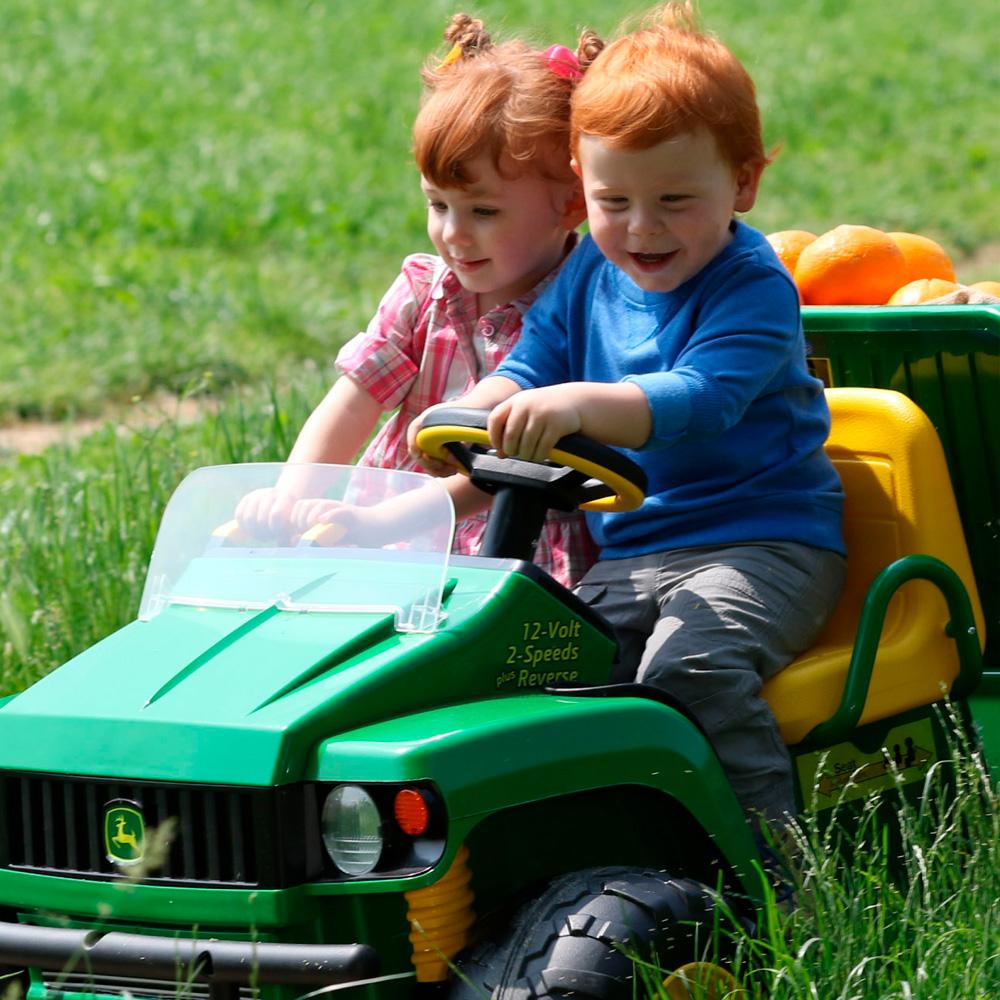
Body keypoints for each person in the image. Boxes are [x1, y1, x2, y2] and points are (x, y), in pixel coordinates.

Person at [410, 2, 847, 827]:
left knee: (694, 669)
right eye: (615, 202)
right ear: (581, 182)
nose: (642, 229)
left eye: (676, 199)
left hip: (764, 544)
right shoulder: (586, 278)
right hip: (634, 554)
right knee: (547, 674)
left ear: (743, 183)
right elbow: (533, 363)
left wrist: (574, 404)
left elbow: (700, 401)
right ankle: (602, 847)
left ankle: (775, 880)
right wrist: (476, 409)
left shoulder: (751, 286)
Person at [237, 14, 596, 587]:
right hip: (380, 542)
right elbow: (352, 402)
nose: (454, 233)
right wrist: (291, 493)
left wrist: (382, 522)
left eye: (483, 211)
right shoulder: (423, 291)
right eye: (438, 205)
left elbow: (511, 468)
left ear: (572, 204)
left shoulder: (586, 312)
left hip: (509, 555)